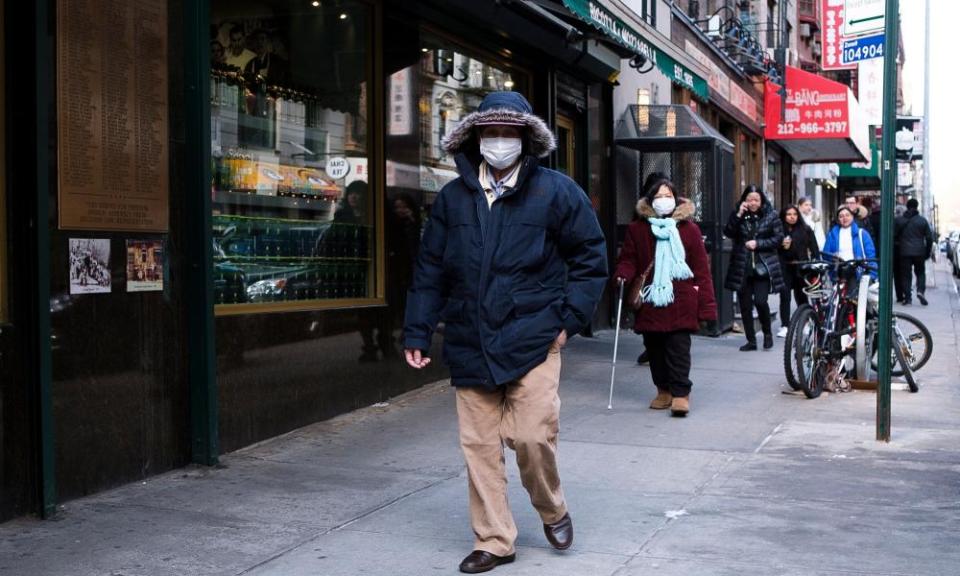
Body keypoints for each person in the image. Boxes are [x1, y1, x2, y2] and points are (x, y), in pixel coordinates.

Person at [402, 91, 607, 574]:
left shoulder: (557, 191)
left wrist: (566, 323)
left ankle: (552, 507)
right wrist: (417, 331)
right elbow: (430, 269)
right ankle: (494, 539)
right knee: (479, 447)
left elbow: (590, 259)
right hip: (470, 338)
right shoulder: (454, 197)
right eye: (491, 133)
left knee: (533, 437)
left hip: (534, 336)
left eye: (509, 133)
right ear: (475, 138)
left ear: (525, 139)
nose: (499, 142)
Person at [613, 176, 717, 416]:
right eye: (658, 196)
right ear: (650, 200)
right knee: (655, 348)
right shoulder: (637, 229)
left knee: (678, 349)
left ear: (676, 199)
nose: (663, 200)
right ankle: (663, 390)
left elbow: (701, 270)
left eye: (667, 196)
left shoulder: (689, 230)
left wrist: (707, 308)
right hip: (651, 300)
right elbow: (628, 259)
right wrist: (622, 275)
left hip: (681, 299)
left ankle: (681, 393)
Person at [724, 185, 784, 351]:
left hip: (762, 266)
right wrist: (738, 215)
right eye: (749, 199)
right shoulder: (739, 215)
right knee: (744, 305)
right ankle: (751, 340)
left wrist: (758, 244)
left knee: (760, 301)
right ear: (744, 200)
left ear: (762, 200)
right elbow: (728, 232)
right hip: (742, 266)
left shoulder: (771, 216)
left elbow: (778, 238)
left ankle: (767, 333)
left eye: (756, 199)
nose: (753, 202)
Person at [777, 205, 820, 337]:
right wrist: (781, 245)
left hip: (801, 267)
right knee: (785, 296)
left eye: (794, 214)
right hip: (785, 267)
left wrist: (815, 264)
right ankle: (785, 325)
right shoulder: (779, 230)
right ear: (784, 216)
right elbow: (773, 247)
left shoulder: (805, 229)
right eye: (789, 214)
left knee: (801, 296)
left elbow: (814, 249)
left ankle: (806, 322)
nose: (792, 217)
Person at [822, 206, 878, 295]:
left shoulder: (862, 233)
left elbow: (870, 255)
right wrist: (833, 256)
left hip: (856, 271)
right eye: (841, 216)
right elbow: (825, 254)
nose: (844, 218)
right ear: (838, 219)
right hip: (838, 271)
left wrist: (872, 275)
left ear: (852, 217)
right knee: (837, 300)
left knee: (852, 298)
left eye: (847, 215)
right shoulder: (832, 234)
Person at [894, 198, 934, 305]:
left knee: (906, 275)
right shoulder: (922, 221)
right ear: (917, 207)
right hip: (919, 252)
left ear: (907, 207)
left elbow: (894, 236)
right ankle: (920, 291)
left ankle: (907, 297)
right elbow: (929, 238)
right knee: (920, 272)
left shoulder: (900, 220)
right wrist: (927, 251)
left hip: (904, 252)